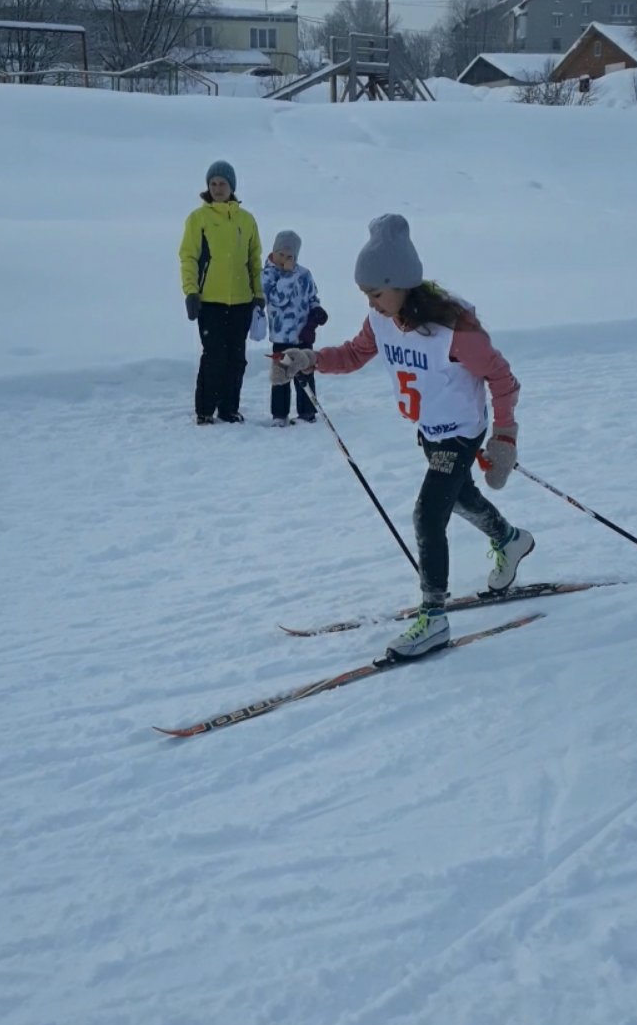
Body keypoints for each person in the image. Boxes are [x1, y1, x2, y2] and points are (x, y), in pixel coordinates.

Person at [272, 213, 534, 658]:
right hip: (430, 429)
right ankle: (510, 540)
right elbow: (355, 354)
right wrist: (308, 359)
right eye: (366, 295)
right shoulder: (382, 319)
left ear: (401, 283)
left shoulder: (454, 328)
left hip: (462, 432)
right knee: (459, 496)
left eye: (376, 293)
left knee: (428, 514)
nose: (371, 303)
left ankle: (433, 618)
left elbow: (503, 379)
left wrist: (504, 437)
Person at [179, 161, 264, 423]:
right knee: (213, 356)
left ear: (232, 187)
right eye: (213, 184)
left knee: (236, 358)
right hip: (210, 301)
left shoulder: (246, 220)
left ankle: (229, 408)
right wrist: (191, 292)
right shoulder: (199, 219)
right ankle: (205, 410)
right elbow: (189, 257)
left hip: (241, 301)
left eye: (222, 184)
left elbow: (254, 260)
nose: (217, 188)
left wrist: (258, 294)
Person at [261, 230, 328, 425]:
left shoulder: (305, 274)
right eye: (280, 254)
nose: (284, 259)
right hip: (282, 336)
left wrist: (316, 311)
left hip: (302, 335)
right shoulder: (268, 275)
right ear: (273, 252)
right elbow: (276, 299)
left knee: (305, 371)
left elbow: (312, 297)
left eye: (289, 256)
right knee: (281, 375)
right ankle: (279, 414)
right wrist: (287, 275)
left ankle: (307, 411)